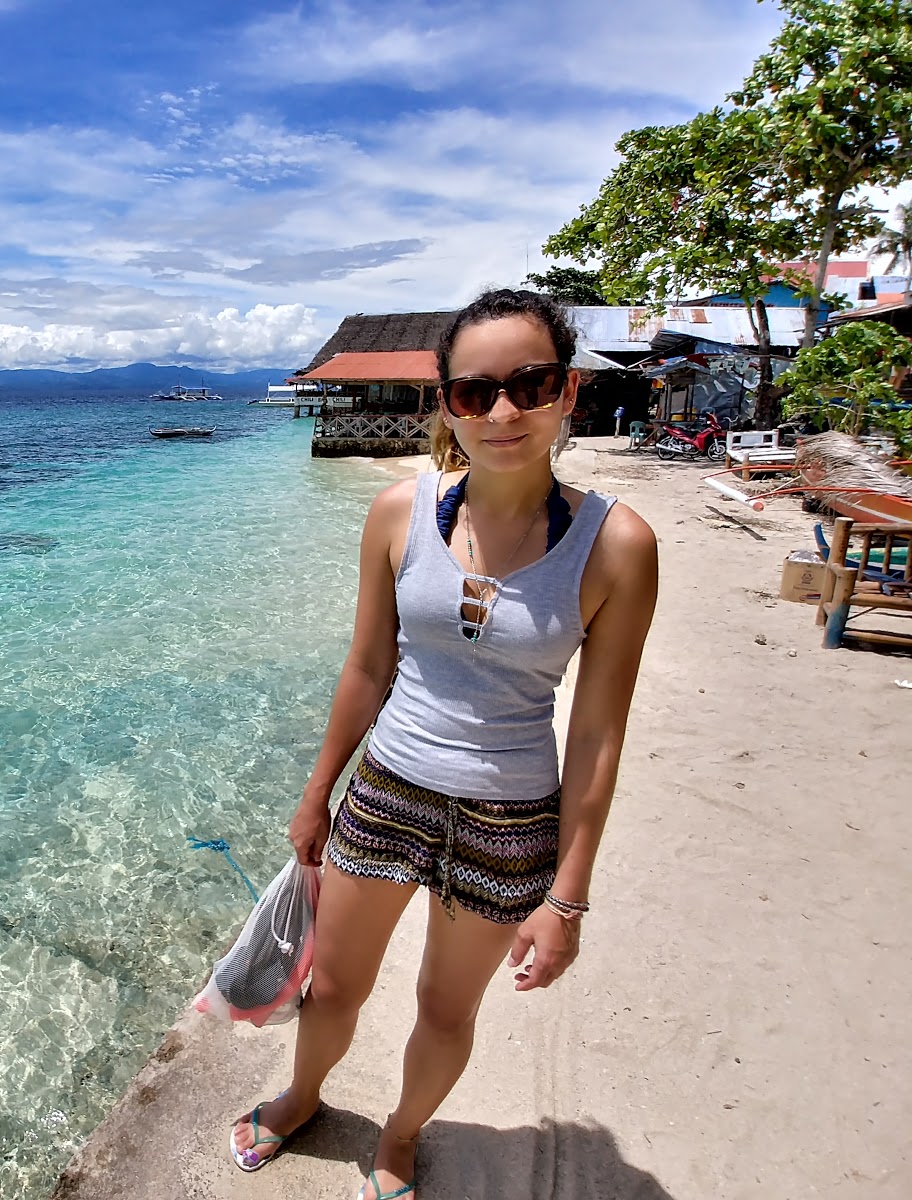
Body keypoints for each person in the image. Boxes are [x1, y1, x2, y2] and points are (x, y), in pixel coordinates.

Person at [229, 289, 658, 1199]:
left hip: (510, 818)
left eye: (529, 384)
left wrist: (568, 898)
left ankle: (400, 1134)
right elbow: (366, 668)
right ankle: (303, 1097)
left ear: (567, 391)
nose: (503, 412)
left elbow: (597, 730)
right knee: (334, 987)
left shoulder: (616, 544)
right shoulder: (398, 512)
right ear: (447, 404)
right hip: (388, 788)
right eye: (475, 392)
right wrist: (316, 794)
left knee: (443, 1007)